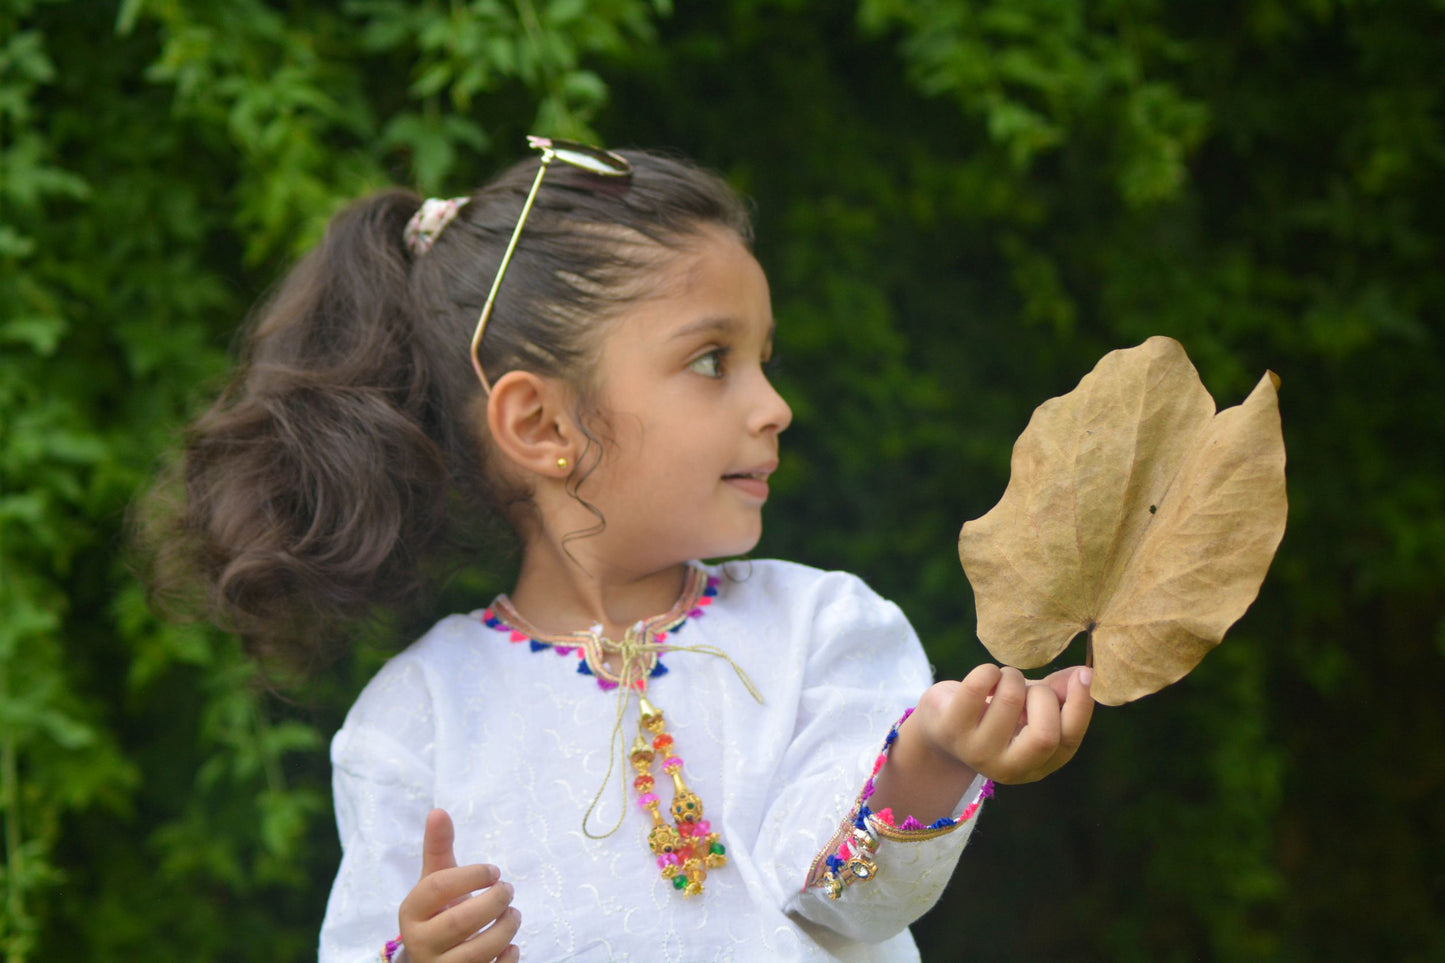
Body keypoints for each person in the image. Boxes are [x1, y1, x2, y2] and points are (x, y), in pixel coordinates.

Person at [149, 137, 1094, 963]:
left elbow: (854, 901)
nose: (773, 405)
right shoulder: (417, 715)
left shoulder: (824, 629)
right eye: (712, 360)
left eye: (763, 359)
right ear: (541, 423)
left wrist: (927, 757)